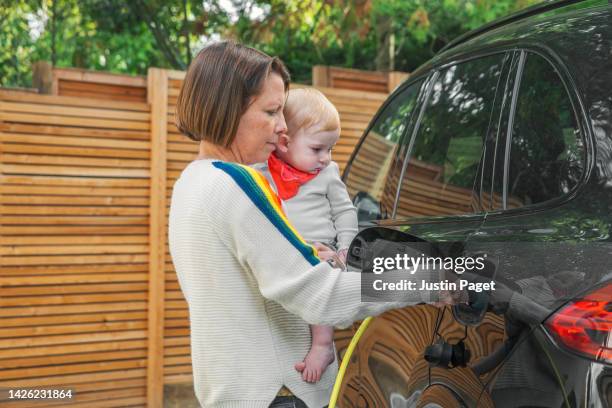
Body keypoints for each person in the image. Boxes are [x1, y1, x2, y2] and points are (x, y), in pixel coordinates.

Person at [169, 41, 440, 408]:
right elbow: (320, 296)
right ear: (228, 109)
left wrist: (303, 254)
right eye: (271, 111)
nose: (283, 127)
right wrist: (430, 279)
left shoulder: (191, 181)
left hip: (231, 390)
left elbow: (241, 279)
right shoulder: (238, 185)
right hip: (280, 393)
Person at [255, 88, 357, 384]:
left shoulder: (327, 173)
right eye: (317, 149)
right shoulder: (264, 172)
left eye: (331, 149)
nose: (326, 158)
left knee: (321, 281)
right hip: (285, 252)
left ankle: (323, 345)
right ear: (284, 143)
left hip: (321, 253)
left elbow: (345, 212)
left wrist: (347, 247)